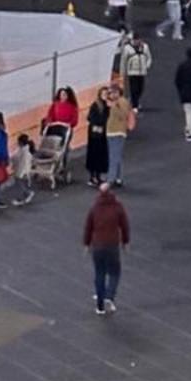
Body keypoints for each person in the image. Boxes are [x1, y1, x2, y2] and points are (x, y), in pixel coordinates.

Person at [83, 179, 129, 314]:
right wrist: (125, 242)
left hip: (97, 245)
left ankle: (100, 306)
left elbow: (88, 227)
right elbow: (125, 226)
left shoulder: (94, 208)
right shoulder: (118, 207)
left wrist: (86, 244)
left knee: (99, 273)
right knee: (115, 272)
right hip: (112, 245)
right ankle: (109, 296)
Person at [104, 84, 135, 186]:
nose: (112, 95)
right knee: (117, 156)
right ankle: (118, 177)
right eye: (110, 93)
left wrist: (114, 107)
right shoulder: (113, 103)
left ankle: (110, 179)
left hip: (118, 132)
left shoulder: (122, 102)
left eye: (114, 92)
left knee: (113, 156)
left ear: (118, 92)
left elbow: (123, 115)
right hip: (111, 131)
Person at [120, 34, 152, 109]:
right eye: (136, 40)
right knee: (134, 88)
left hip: (142, 72)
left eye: (138, 40)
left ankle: (135, 100)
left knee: (140, 88)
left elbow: (149, 57)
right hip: (132, 72)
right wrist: (122, 71)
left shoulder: (145, 47)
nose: (137, 41)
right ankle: (135, 105)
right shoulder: (127, 48)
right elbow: (124, 60)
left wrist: (146, 66)